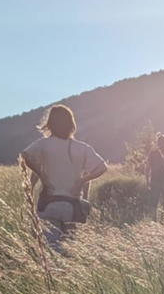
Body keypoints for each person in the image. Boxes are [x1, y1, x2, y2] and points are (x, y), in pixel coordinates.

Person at [21, 104, 107, 251]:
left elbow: (25, 156)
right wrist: (81, 181)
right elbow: (102, 168)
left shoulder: (43, 144)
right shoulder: (82, 147)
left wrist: (42, 176)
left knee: (50, 250)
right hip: (72, 207)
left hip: (48, 204)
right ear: (71, 124)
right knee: (70, 250)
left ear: (50, 124)